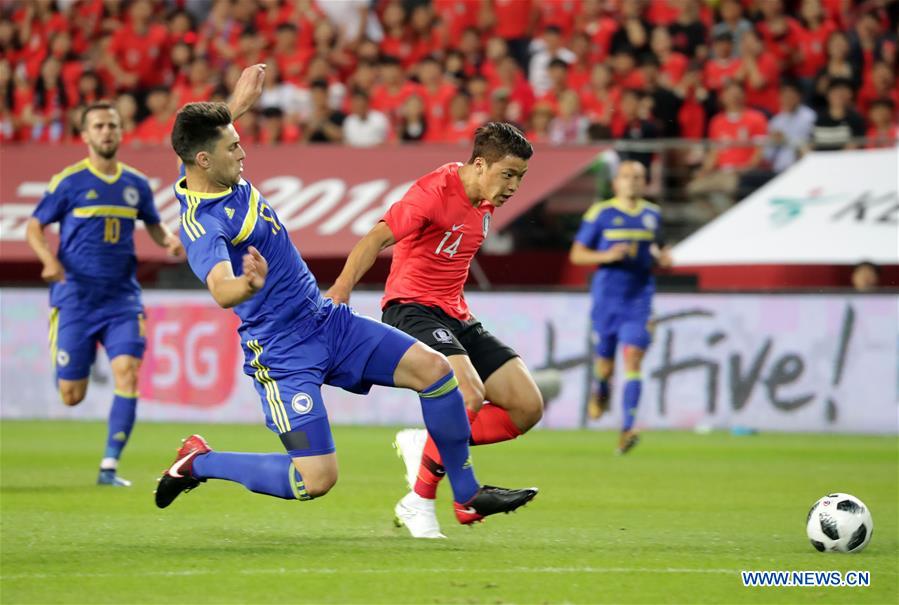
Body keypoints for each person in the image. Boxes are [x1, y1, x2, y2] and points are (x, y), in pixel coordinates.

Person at [155, 67, 536, 532]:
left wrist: (238, 101)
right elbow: (219, 287)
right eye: (233, 147)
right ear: (203, 160)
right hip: (282, 351)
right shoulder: (203, 226)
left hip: (325, 320)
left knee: (438, 374)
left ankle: (467, 494)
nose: (243, 152)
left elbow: (200, 136)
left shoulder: (205, 166)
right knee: (315, 479)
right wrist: (247, 286)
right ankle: (199, 462)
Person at [326, 122, 544, 539]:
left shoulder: (485, 196)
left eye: (521, 177)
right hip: (412, 308)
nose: (515, 186)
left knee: (526, 407)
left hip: (457, 314)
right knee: (469, 394)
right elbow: (375, 237)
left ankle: (426, 444)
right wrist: (341, 289)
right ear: (479, 164)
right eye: (508, 174)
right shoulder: (433, 193)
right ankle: (425, 500)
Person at [25, 100, 183, 487]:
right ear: (85, 135)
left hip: (121, 299)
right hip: (76, 297)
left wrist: (170, 241)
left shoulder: (136, 185)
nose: (107, 132)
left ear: (120, 131)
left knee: (128, 373)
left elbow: (155, 225)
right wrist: (47, 258)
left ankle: (109, 467)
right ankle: (68, 361)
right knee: (71, 396)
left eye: (112, 125)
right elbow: (33, 226)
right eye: (98, 126)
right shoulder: (69, 182)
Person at [568, 161, 671, 454]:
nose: (633, 182)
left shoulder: (653, 214)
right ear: (616, 183)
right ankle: (601, 389)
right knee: (606, 365)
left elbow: (661, 251)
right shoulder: (600, 213)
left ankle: (628, 427)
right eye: (627, 177)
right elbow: (577, 254)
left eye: (638, 177)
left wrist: (665, 258)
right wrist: (607, 255)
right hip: (607, 298)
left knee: (634, 359)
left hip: (640, 298)